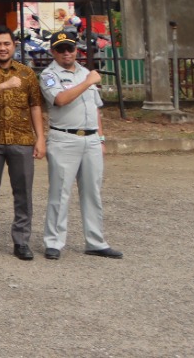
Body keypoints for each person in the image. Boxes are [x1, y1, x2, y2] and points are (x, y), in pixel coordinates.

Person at [40, 30, 121, 260]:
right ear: (53, 52)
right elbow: (60, 99)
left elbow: (95, 109)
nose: (67, 53)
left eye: (70, 48)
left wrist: (101, 139)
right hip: (64, 138)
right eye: (61, 49)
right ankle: (54, 242)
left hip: (91, 138)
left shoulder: (86, 72)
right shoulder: (49, 75)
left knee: (92, 192)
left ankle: (95, 241)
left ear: (77, 50)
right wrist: (88, 83)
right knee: (60, 192)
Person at [0, 26, 45, 260]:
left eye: (6, 44)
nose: (2, 48)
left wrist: (40, 138)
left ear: (14, 45)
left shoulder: (26, 73)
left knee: (23, 193)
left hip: (22, 139)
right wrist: (4, 85)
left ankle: (22, 241)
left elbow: (35, 105)